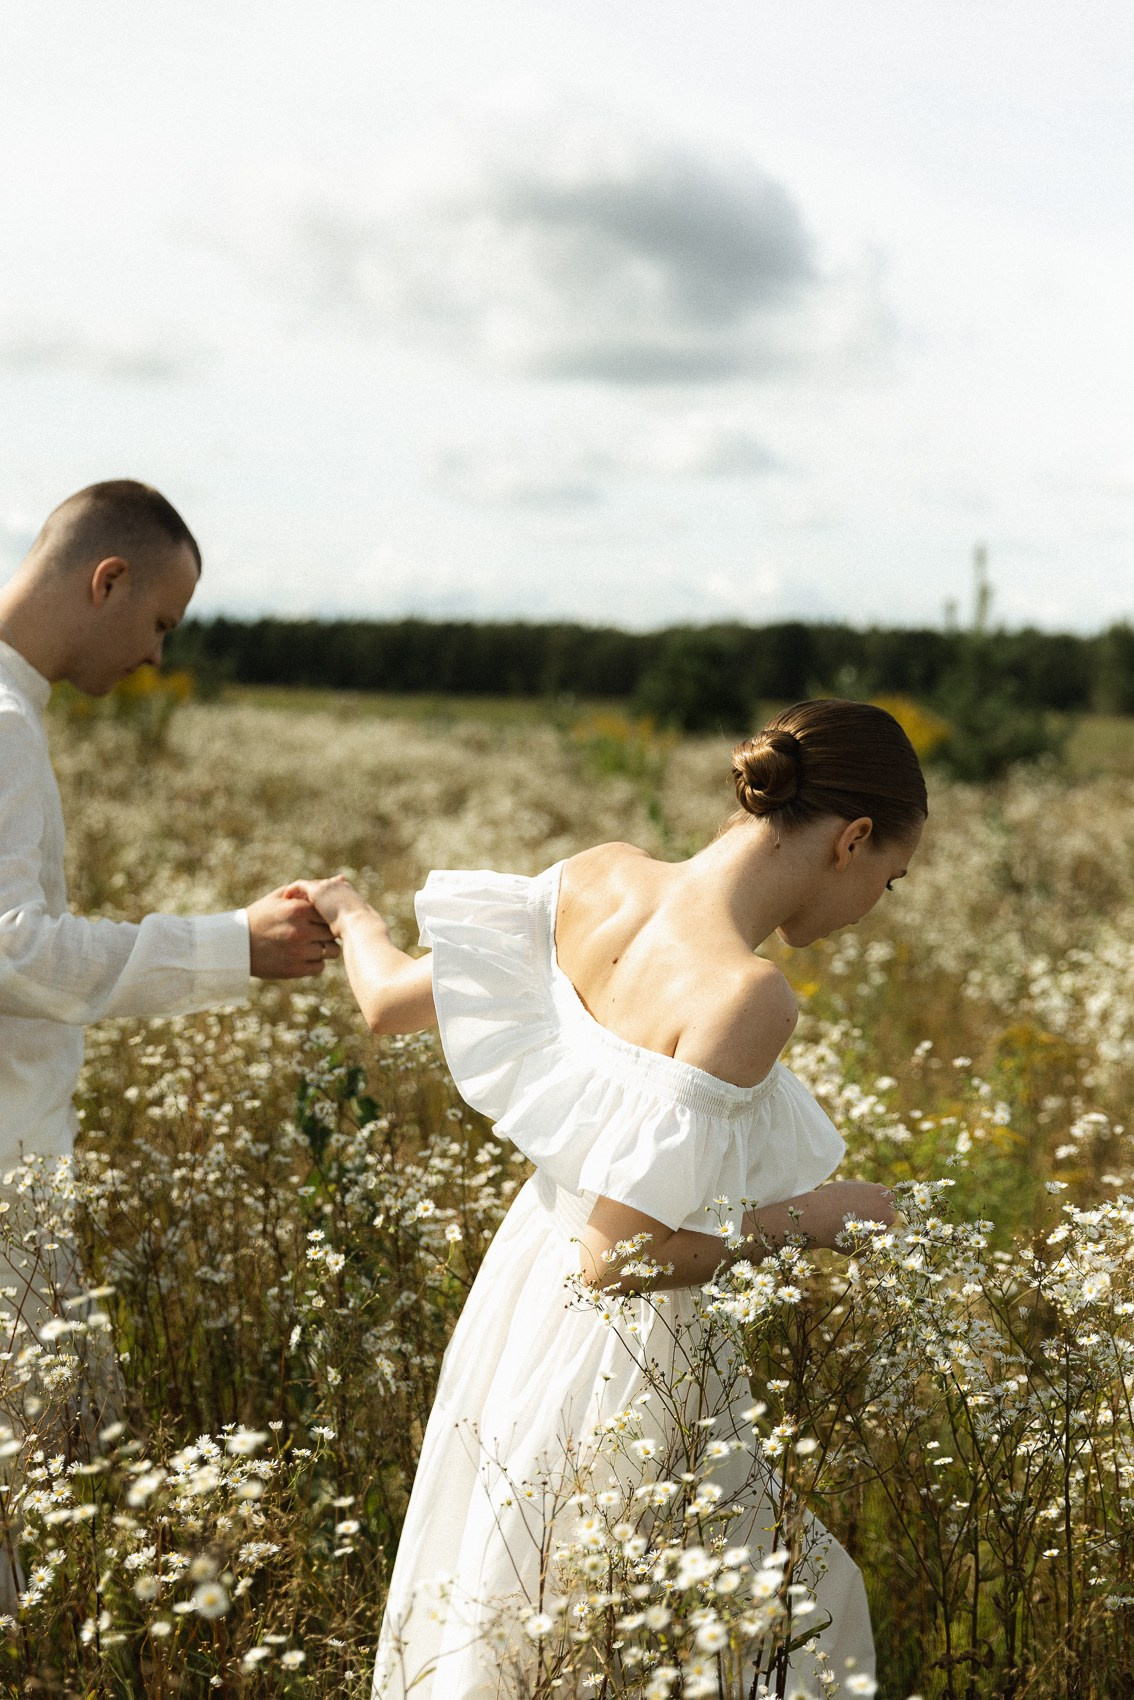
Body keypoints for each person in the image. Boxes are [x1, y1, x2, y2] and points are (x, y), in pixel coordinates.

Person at [297, 698, 928, 1698]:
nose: (873, 904)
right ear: (851, 839)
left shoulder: (600, 874)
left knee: (531, 1619)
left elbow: (387, 1002)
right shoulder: (747, 993)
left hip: (518, 1305)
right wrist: (826, 1217)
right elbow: (617, 1257)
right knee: (772, 1622)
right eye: (888, 880)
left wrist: (348, 911)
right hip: (620, 1356)